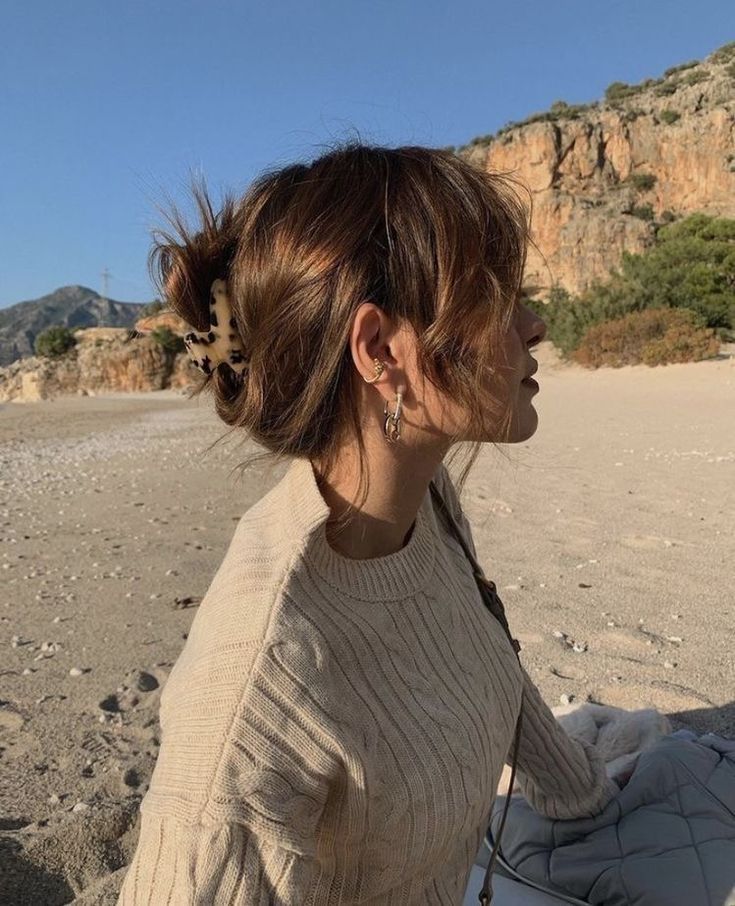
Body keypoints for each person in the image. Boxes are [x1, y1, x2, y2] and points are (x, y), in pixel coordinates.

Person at [117, 141, 620, 905]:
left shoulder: (425, 500)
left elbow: (484, 652)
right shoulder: (257, 681)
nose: (535, 325)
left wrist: (580, 800)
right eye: (495, 297)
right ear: (381, 349)